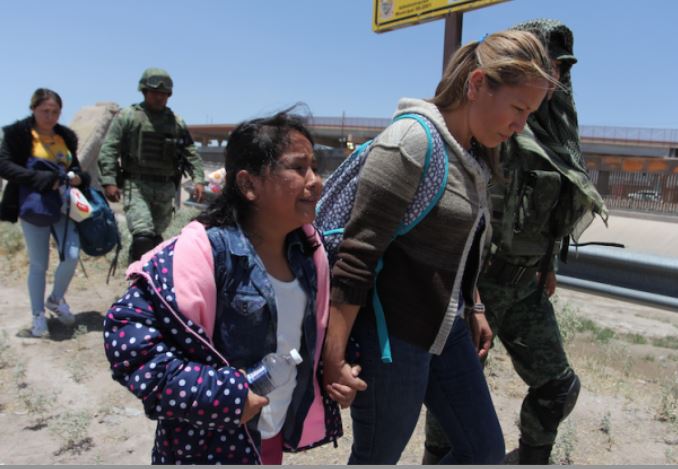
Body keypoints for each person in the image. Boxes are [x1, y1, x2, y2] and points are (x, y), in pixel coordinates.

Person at [321, 30, 555, 464]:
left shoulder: (474, 157)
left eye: (531, 114)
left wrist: (475, 305)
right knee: (377, 458)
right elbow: (357, 257)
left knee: (484, 451)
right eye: (519, 108)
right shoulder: (410, 142)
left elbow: (457, 248)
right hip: (394, 338)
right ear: (478, 84)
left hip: (445, 332)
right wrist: (332, 354)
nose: (521, 125)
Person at [103, 110, 343, 464]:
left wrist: (340, 363)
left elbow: (312, 332)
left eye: (315, 167)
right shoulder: (199, 254)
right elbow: (128, 341)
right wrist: (224, 396)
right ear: (248, 185)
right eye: (299, 168)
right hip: (205, 450)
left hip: (269, 437)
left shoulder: (310, 254)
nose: (316, 181)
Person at [421, 19, 608, 465]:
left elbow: (543, 213)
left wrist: (549, 267)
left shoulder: (555, 139)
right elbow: (463, 219)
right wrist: (474, 299)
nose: (558, 77)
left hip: (525, 289)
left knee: (558, 386)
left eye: (562, 69)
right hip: (476, 290)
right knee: (454, 411)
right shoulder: (491, 126)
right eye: (550, 65)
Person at [0, 88, 89, 337]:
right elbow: (5, 166)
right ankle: (38, 316)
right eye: (45, 111)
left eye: (55, 112)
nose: (50, 116)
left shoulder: (66, 137)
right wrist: (38, 178)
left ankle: (56, 299)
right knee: (39, 264)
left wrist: (78, 177)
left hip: (64, 206)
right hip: (34, 205)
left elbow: (76, 167)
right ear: (33, 109)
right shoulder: (18, 135)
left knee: (71, 254)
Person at [97, 67, 206, 263]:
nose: (160, 98)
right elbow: (109, 149)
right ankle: (138, 285)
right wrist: (109, 180)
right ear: (145, 92)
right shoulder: (128, 117)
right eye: (155, 93)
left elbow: (191, 152)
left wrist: (199, 179)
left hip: (165, 187)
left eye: (164, 94)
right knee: (143, 237)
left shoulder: (176, 122)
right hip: (137, 185)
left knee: (156, 240)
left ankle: (147, 283)